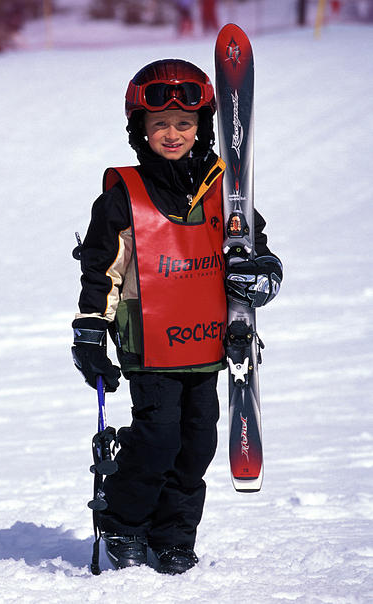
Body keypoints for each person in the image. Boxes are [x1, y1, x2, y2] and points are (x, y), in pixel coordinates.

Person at [71, 59, 282, 574]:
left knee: (198, 442)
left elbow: (253, 251)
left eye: (184, 124)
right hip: (149, 340)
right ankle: (125, 521)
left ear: (202, 126)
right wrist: (91, 331)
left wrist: (264, 273)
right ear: (139, 129)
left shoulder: (225, 193)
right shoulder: (123, 193)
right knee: (158, 437)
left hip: (207, 344)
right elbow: (102, 271)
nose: (172, 134)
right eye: (159, 123)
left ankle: (173, 535)